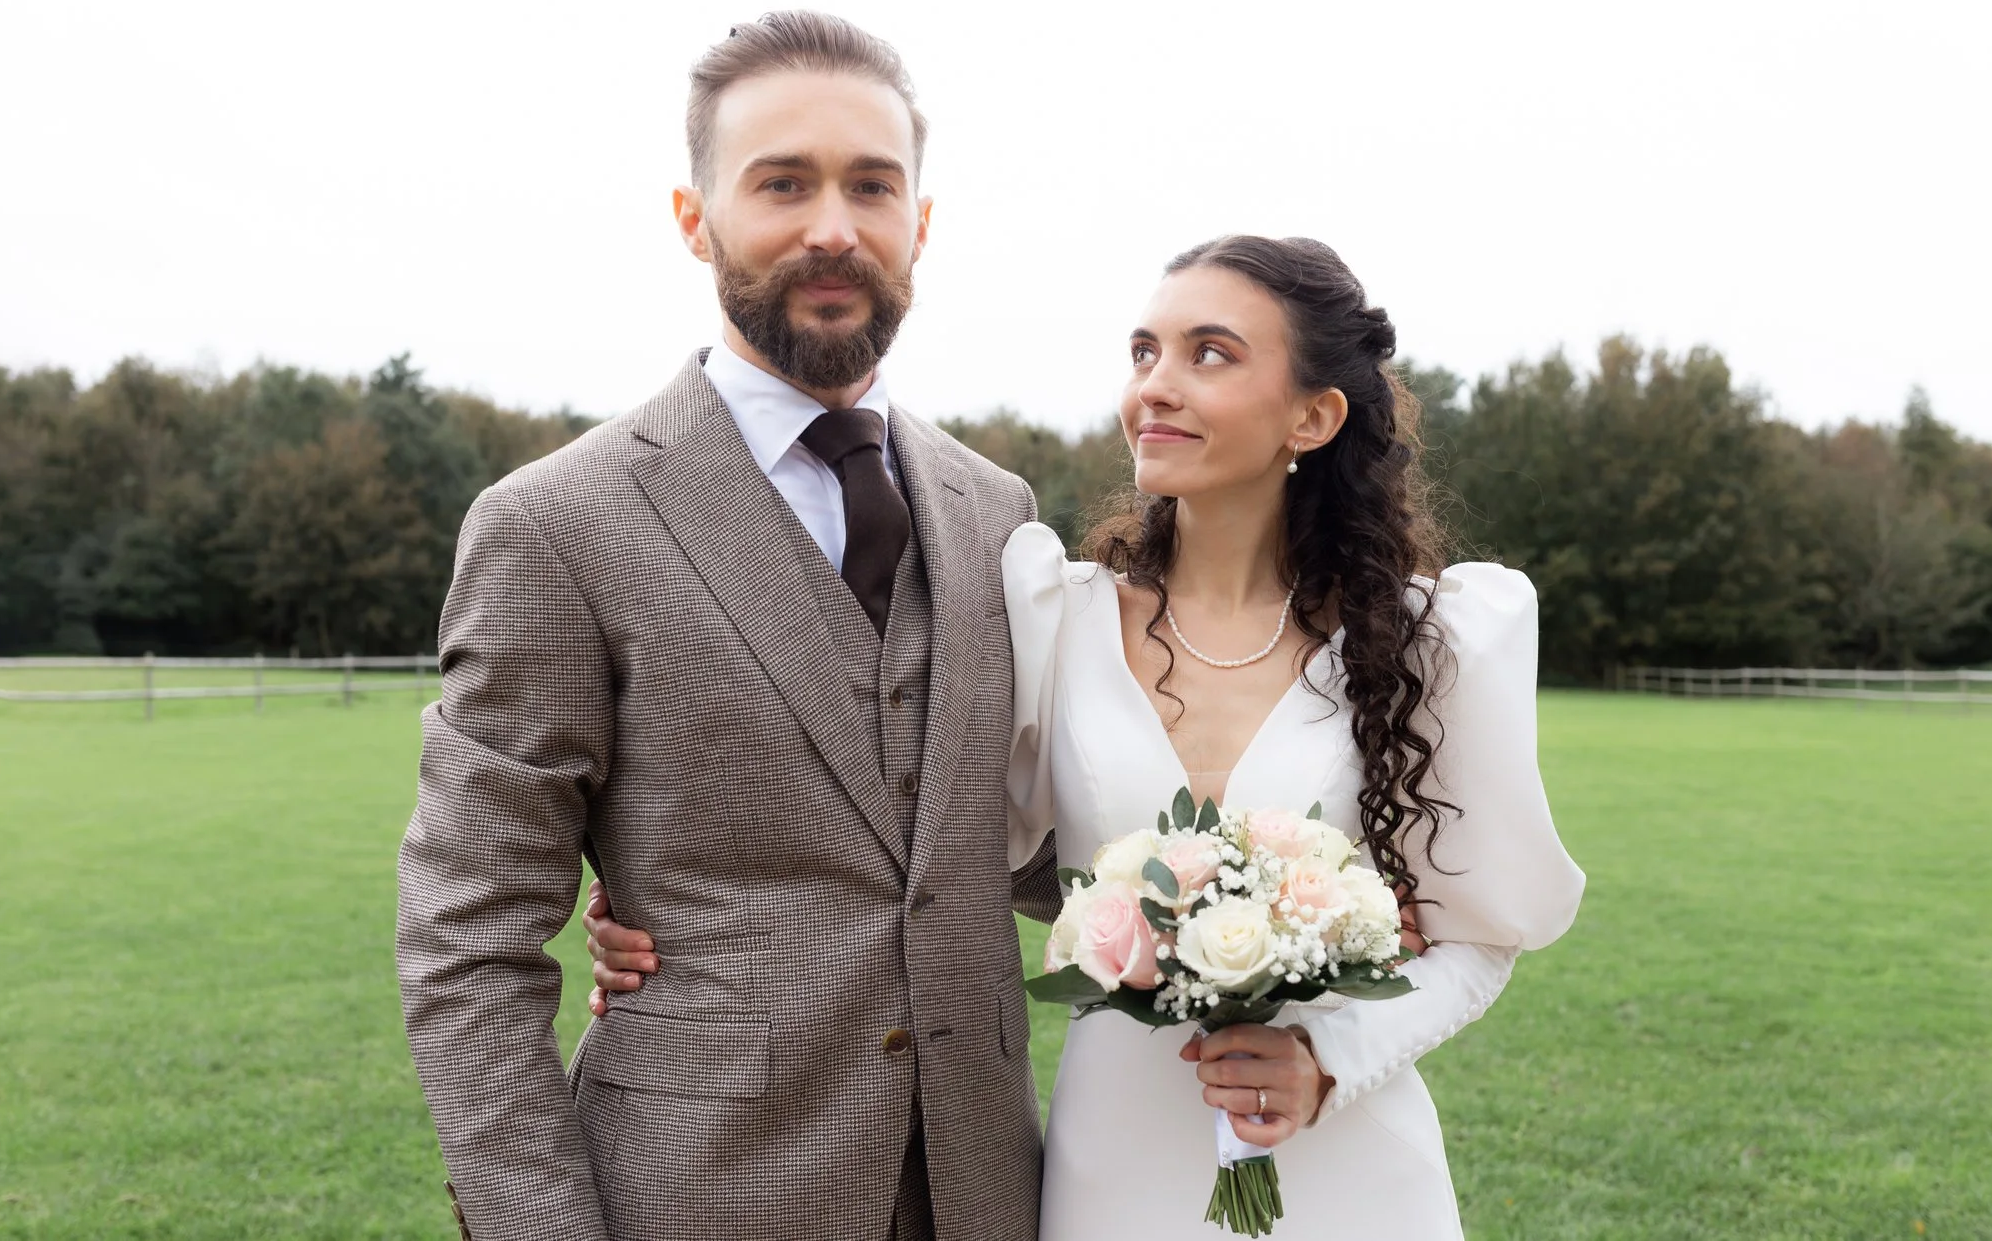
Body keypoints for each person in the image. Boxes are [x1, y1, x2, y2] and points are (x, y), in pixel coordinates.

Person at [590, 234, 1586, 1238]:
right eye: (1143, 351)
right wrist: (666, 897)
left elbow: (1477, 938)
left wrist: (1331, 1054)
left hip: (1351, 1171)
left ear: (1314, 414)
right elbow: (904, 825)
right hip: (1114, 1164)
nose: (1154, 385)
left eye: (1210, 353)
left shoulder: (1428, 637)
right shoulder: (1048, 615)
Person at [395, 11, 1056, 1241]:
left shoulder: (999, 513)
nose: (831, 226)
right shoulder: (555, 522)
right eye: (782, 183)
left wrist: (1307, 875)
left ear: (922, 221)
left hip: (987, 1194)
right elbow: (465, 936)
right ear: (695, 218)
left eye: (871, 185)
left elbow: (1025, 844)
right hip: (697, 1191)